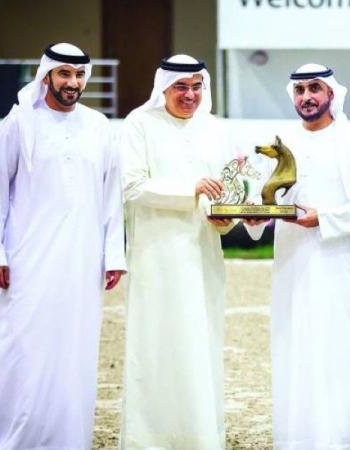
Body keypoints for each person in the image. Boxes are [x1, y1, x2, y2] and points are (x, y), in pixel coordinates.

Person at [244, 63, 350, 450]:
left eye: (314, 89)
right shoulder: (282, 142)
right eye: (300, 90)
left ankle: (342, 442)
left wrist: (325, 219)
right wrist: (251, 213)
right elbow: (263, 201)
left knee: (338, 355)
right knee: (296, 355)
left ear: (331, 94)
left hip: (339, 268)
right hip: (292, 268)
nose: (307, 97)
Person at [0, 43, 126, 450]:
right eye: (64, 74)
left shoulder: (100, 125)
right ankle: (11, 439)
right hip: (28, 257)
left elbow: (111, 196)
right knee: (23, 346)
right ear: (46, 75)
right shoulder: (19, 123)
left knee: (75, 350)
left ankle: (68, 440)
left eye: (79, 75)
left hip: (83, 259)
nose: (73, 83)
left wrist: (113, 255)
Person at [120, 55, 236, 449]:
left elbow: (228, 190)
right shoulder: (140, 124)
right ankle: (149, 440)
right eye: (181, 87)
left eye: (196, 86)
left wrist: (227, 220)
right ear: (163, 89)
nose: (190, 95)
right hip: (157, 256)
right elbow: (131, 187)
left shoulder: (215, 128)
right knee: (156, 345)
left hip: (203, 254)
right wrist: (192, 190)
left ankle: (201, 438)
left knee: (201, 343)